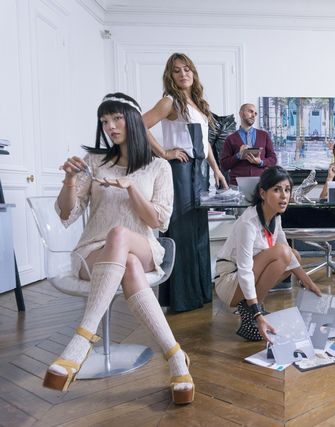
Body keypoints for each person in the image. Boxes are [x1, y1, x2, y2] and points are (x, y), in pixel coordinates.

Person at [45, 92, 194, 404]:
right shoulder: (94, 163)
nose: (110, 126)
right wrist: (69, 181)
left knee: (121, 236)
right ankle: (175, 357)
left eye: (117, 118)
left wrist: (132, 190)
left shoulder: (159, 167)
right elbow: (67, 215)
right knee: (127, 262)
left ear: (134, 121)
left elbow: (159, 221)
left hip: (143, 245)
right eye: (104, 121)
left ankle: (82, 339)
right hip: (93, 252)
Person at [143, 52, 227, 312]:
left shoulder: (198, 104)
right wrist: (164, 153)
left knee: (198, 231)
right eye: (177, 70)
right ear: (170, 75)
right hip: (180, 171)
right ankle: (181, 298)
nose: (183, 74)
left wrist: (216, 170)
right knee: (181, 230)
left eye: (187, 69)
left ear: (193, 72)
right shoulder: (169, 101)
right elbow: (139, 124)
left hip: (199, 172)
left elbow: (204, 142)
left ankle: (199, 293)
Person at [214, 166, 322, 341]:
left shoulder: (275, 217)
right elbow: (244, 270)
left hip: (246, 276)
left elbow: (288, 254)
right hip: (230, 280)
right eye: (277, 190)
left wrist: (309, 283)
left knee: (293, 255)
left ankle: (251, 308)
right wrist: (257, 313)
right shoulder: (248, 223)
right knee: (283, 252)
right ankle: (254, 311)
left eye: (287, 190)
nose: (284, 196)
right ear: (263, 193)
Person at [220, 103, 277, 186]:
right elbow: (224, 165)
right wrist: (238, 156)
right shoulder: (230, 138)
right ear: (241, 114)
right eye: (250, 111)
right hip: (237, 184)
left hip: (261, 183)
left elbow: (273, 159)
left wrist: (261, 162)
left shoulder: (264, 135)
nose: (253, 115)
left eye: (255, 113)